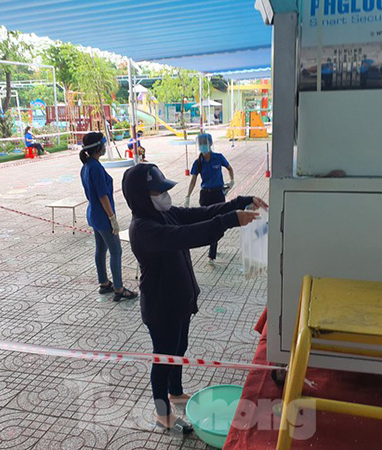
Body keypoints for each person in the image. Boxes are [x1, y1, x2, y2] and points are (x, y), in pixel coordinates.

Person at [122, 162, 267, 434]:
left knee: (179, 349)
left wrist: (239, 202)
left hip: (179, 299)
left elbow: (201, 213)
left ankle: (176, 392)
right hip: (161, 307)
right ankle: (162, 413)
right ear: (141, 196)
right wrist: (229, 221)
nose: (165, 195)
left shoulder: (165, 214)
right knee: (163, 359)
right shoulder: (143, 228)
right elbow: (187, 235)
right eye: (158, 192)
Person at [80, 132, 138, 302]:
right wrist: (112, 218)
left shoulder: (87, 166)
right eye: (103, 144)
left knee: (100, 249)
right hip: (103, 216)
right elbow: (102, 196)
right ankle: (119, 288)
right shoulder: (96, 168)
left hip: (93, 214)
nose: (105, 147)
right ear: (98, 148)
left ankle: (104, 282)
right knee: (116, 251)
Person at [185, 133, 234, 263]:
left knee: (217, 222)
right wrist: (188, 196)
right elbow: (193, 180)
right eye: (200, 143)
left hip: (218, 194)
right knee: (207, 223)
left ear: (210, 144)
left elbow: (229, 168)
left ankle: (212, 252)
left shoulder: (218, 157)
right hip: (205, 195)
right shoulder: (198, 162)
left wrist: (232, 181)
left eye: (204, 143)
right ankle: (212, 242)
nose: (203, 146)